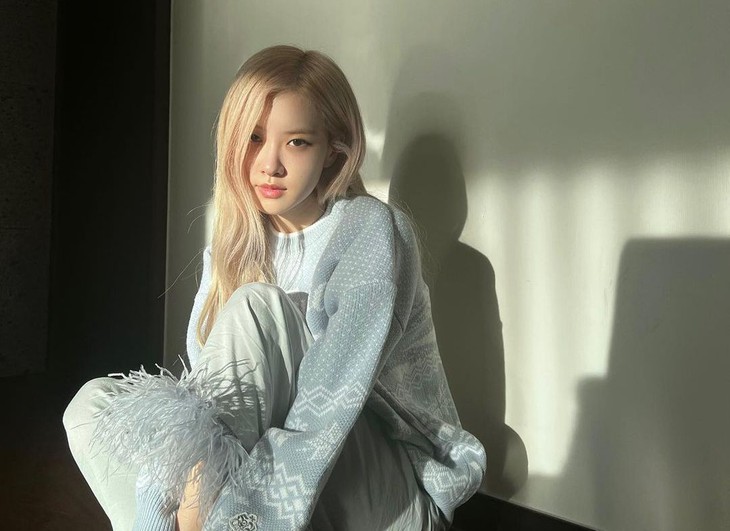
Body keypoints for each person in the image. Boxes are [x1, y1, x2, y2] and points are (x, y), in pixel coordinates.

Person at [63, 44, 486, 531]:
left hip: (390, 494)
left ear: (334, 149)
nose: (270, 164)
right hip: (278, 479)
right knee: (92, 407)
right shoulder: (235, 242)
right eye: (255, 137)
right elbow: (209, 403)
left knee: (255, 307)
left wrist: (183, 506)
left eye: (297, 142)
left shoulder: (370, 232)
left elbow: (326, 411)